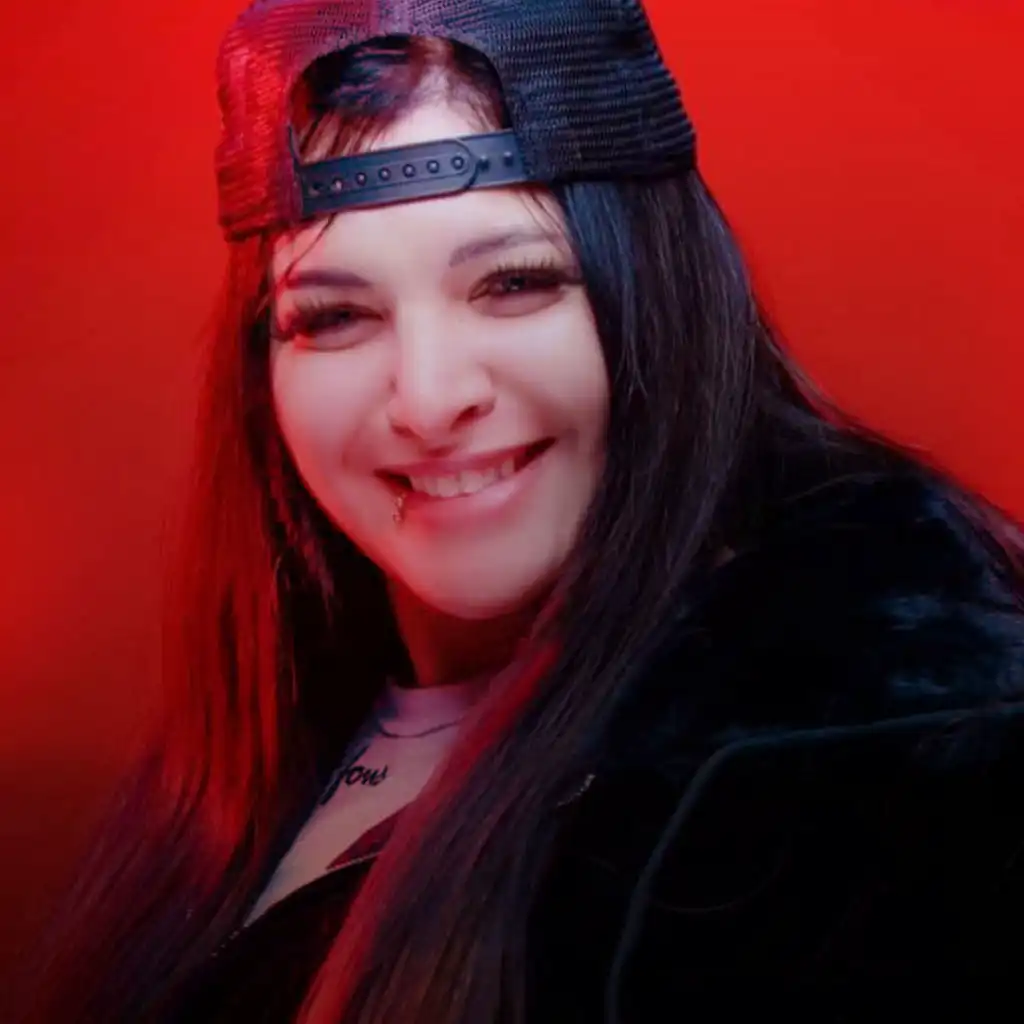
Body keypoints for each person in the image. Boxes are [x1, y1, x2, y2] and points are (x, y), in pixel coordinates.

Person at [17, 1, 1024, 1022]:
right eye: (337, 314)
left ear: (660, 292)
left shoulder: (871, 757)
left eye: (514, 283)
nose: (427, 399)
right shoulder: (279, 714)